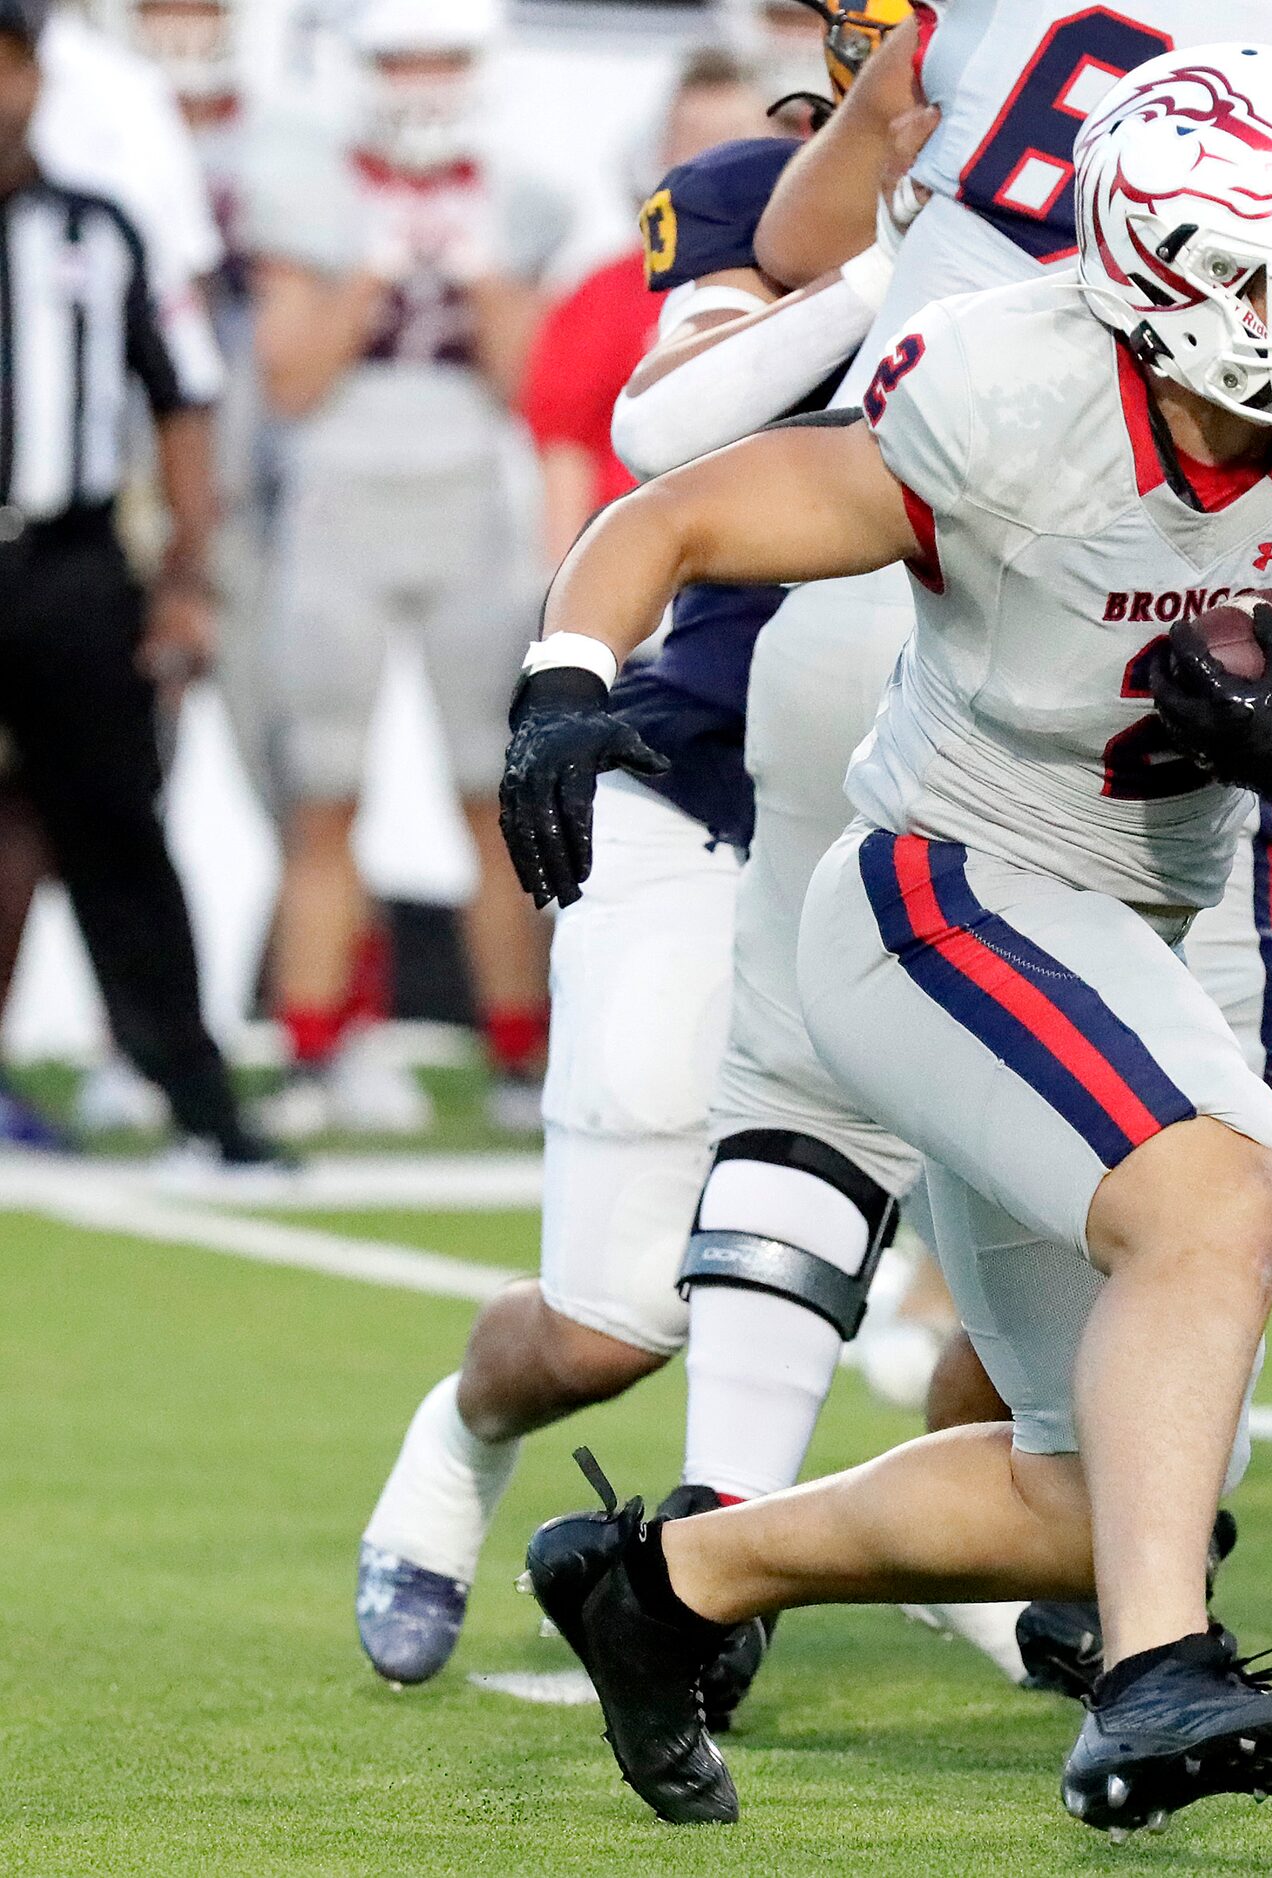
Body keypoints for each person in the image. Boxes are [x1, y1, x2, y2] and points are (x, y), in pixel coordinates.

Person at [510, 45, 1272, 1834]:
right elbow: (675, 511)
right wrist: (562, 677)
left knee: (1118, 1484)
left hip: (1123, 918)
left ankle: (669, 1584)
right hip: (940, 891)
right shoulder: (1008, 397)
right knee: (1221, 1200)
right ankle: (1152, 1680)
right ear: (1164, 279)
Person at [356, 36, 894, 1694]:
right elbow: (672, 420)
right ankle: (455, 1438)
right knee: (610, 1319)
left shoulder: (1105, 213)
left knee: (1048, 1236)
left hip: (945, 803)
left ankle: (1018, 1568)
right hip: (708, 782)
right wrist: (916, 270)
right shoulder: (750, 197)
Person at [245, 0, 567, 1139]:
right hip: (338, 495)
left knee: (488, 790)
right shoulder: (306, 188)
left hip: (466, 497)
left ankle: (520, 1053)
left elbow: (527, 387)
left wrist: (477, 272)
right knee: (326, 788)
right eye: (401, 58)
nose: (422, 80)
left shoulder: (521, 195)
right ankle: (313, 1043)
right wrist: (374, 267)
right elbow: (290, 380)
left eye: (441, 57)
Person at [0, 0, 268, 1164]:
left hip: (66, 562)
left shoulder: (99, 227)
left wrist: (185, 577)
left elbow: (184, 398)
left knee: (118, 834)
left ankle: (196, 1098)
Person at [519, 49, 774, 570]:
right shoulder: (605, 292)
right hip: (638, 566)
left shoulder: (821, 282)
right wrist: (568, 597)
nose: (716, 156)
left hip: (774, 560)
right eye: (696, 137)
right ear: (663, 150)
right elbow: (566, 451)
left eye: (734, 134)